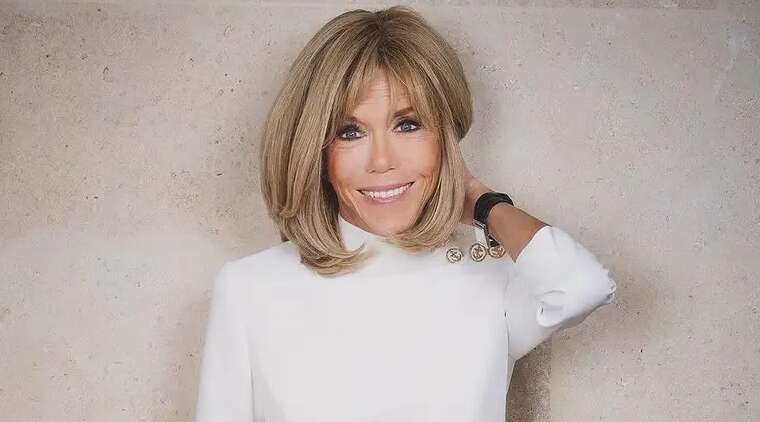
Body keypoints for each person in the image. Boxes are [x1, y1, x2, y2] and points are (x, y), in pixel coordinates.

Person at [195, 5, 617, 422]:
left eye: (408, 125)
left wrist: (482, 202)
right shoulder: (250, 288)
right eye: (350, 132)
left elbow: (582, 286)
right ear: (316, 151)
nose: (382, 161)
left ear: (444, 140)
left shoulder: (490, 273)